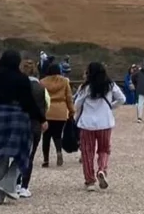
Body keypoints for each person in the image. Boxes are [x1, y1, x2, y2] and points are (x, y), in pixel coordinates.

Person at [0, 50, 47, 204]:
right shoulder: (22, 79)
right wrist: (41, 119)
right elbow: (28, 103)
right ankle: (9, 182)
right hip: (16, 118)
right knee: (24, 151)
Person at [74, 62, 127, 191]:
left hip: (87, 124)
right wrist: (110, 107)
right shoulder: (110, 85)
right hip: (105, 122)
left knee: (87, 152)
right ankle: (102, 170)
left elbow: (77, 103)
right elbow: (122, 99)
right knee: (104, 149)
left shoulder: (85, 87)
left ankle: (90, 181)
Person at [18, 59, 51, 198]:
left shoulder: (17, 86)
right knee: (29, 156)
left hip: (19, 122)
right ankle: (24, 186)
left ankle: (15, 183)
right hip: (35, 124)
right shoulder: (41, 87)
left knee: (17, 154)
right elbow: (47, 104)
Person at [41, 61, 74, 166]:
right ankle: (59, 152)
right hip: (60, 111)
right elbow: (69, 97)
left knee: (46, 136)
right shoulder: (64, 81)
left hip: (47, 111)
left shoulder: (42, 82)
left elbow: (40, 98)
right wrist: (71, 111)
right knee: (58, 135)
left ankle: (46, 160)